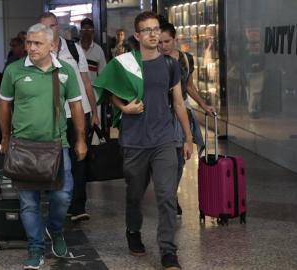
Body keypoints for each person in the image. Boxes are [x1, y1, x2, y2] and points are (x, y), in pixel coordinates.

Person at [93, 11, 193, 270]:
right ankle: (133, 231)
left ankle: (168, 251)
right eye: (147, 30)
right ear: (137, 35)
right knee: (135, 194)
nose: (152, 33)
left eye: (156, 29)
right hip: (135, 141)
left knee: (167, 196)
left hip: (164, 140)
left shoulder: (171, 64)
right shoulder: (124, 63)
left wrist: (188, 137)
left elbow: (179, 102)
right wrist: (123, 108)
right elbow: (107, 90)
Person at [0, 23, 87, 270]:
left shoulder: (65, 71)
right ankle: (35, 248)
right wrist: (5, 137)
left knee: (63, 195)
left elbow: (77, 107)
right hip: (23, 147)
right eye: (28, 42)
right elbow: (4, 106)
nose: (31, 47)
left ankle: (55, 229)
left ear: (51, 45)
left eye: (37, 43)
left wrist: (81, 139)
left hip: (58, 146)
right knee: (29, 202)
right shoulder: (14, 70)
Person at [40, 12, 99, 222]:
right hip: (53, 114)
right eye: (44, 26)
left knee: (79, 158)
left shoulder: (73, 49)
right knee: (54, 161)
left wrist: (94, 111)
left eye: (52, 26)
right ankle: (59, 203)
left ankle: (78, 206)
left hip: (78, 112)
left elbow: (86, 82)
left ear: (58, 27)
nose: (49, 30)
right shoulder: (38, 52)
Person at [159, 21, 215, 215]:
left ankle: (171, 197)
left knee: (180, 158)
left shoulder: (186, 59)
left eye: (166, 41)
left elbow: (189, 86)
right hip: (161, 112)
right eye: (159, 42)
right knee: (165, 158)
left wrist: (203, 105)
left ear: (175, 39)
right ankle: (169, 198)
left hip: (181, 110)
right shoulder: (153, 60)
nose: (163, 46)